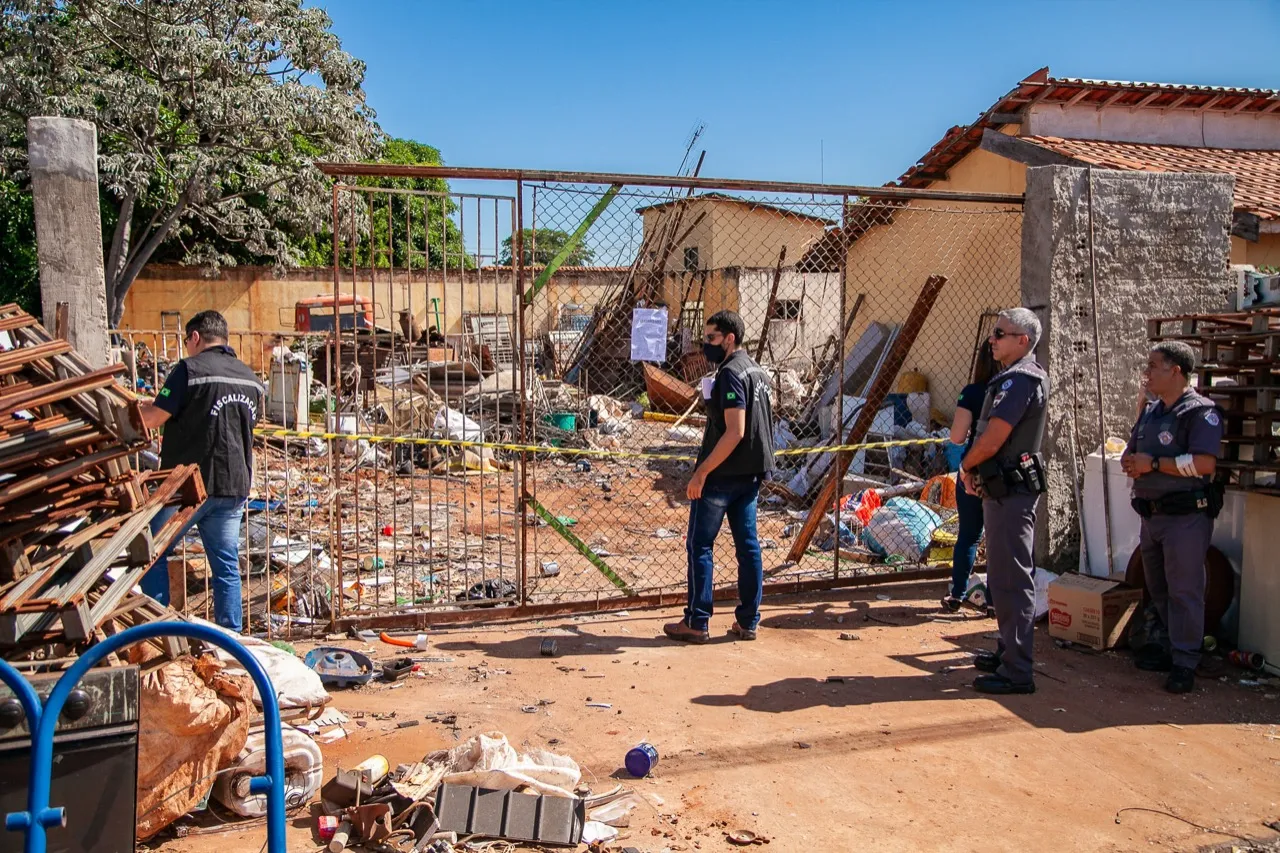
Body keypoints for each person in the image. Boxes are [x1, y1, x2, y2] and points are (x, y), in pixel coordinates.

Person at [138, 311, 264, 631]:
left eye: (187, 341)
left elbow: (153, 418)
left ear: (195, 337)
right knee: (225, 565)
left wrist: (123, 415)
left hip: (189, 487)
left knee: (153, 551)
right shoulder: (251, 378)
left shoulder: (188, 371)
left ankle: (158, 627)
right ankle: (231, 638)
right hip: (233, 486)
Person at [665, 310, 775, 644]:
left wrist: (701, 472)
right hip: (751, 473)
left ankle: (697, 622)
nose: (705, 345)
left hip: (723, 475)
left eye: (711, 338)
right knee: (748, 546)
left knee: (700, 544)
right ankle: (748, 621)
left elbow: (736, 431)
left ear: (730, 338)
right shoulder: (757, 371)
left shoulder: (730, 373)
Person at [1120, 341, 1224, 694]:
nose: (1147, 373)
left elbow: (1205, 463)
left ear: (1175, 370)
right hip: (1152, 516)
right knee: (1160, 588)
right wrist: (1131, 462)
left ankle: (1185, 662)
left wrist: (1155, 464)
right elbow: (1132, 451)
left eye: (1153, 366)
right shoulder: (1151, 412)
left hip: (1184, 518)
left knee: (1184, 590)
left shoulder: (1199, 412)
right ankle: (1169, 646)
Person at [960, 308, 1048, 695]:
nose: (991, 340)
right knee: (1002, 575)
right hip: (1001, 488)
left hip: (1011, 491)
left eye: (1000, 333)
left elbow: (995, 438)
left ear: (1022, 341)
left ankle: (1017, 669)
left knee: (1012, 578)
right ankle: (1008, 651)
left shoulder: (1021, 380)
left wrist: (966, 466)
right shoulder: (1009, 378)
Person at [942, 340, 998, 612]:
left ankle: (958, 593)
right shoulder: (1014, 390)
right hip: (1006, 471)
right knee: (1002, 539)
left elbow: (956, 436)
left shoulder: (974, 392)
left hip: (974, 471)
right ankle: (994, 600)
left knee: (969, 536)